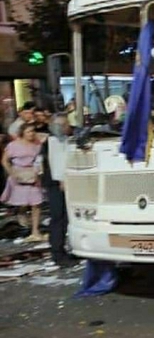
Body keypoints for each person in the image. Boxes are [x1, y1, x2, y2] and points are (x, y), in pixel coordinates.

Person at [0, 123, 46, 241]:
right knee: (23, 203)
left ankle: (35, 231)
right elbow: (5, 161)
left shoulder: (37, 144)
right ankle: (21, 214)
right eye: (28, 132)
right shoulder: (13, 145)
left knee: (36, 203)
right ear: (22, 133)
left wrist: (39, 171)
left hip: (33, 174)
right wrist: (12, 173)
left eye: (32, 131)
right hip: (18, 174)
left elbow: (40, 159)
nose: (31, 134)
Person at [43, 113, 78, 266]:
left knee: (67, 218)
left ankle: (66, 249)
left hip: (68, 182)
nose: (65, 127)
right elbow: (55, 162)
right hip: (57, 184)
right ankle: (57, 253)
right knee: (59, 218)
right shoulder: (51, 142)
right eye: (61, 125)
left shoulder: (66, 139)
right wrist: (61, 179)